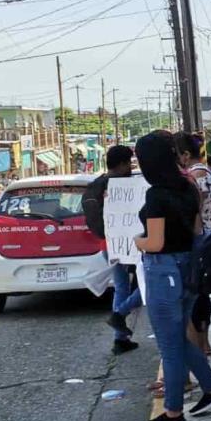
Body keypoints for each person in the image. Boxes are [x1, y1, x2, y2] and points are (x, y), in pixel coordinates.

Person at [133, 131, 211, 421]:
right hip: (188, 269)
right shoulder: (189, 187)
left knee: (170, 345)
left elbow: (156, 241)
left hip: (164, 271)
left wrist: (138, 241)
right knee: (177, 338)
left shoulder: (156, 195)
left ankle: (173, 413)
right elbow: (197, 230)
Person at [82, 144, 143, 354]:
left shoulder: (97, 184)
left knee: (120, 286)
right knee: (146, 282)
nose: (131, 166)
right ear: (123, 163)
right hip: (131, 242)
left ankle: (120, 338)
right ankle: (119, 318)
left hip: (109, 245)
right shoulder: (125, 184)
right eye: (129, 163)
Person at [175, 132, 211, 357]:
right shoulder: (206, 171)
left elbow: (195, 210)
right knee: (203, 292)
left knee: (197, 292)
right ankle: (205, 341)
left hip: (200, 238)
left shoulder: (194, 176)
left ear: (185, 154)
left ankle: (202, 343)